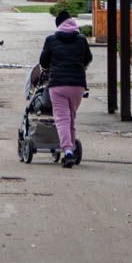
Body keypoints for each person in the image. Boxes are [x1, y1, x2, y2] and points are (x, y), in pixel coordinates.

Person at [39, 9, 92, 167]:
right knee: (71, 119)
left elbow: (43, 62)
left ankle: (68, 152)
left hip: (58, 85)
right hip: (78, 86)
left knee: (62, 119)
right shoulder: (82, 40)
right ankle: (72, 148)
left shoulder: (51, 40)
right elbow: (88, 58)